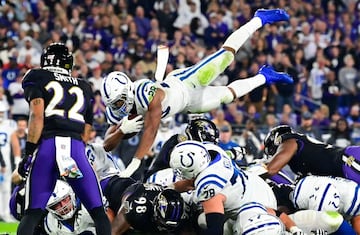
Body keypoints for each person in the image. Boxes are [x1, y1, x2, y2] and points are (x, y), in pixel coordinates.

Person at [101, 9, 293, 177]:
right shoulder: (118, 110)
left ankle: (258, 19)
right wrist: (121, 131)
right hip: (188, 103)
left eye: (120, 101)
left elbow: (152, 128)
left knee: (226, 56)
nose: (120, 106)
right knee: (228, 95)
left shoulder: (145, 92)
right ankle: (265, 76)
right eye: (116, 104)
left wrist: (135, 163)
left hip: (186, 82)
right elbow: (107, 144)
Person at [17, 42, 111, 235]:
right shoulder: (84, 86)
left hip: (48, 147)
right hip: (75, 148)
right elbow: (87, 129)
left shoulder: (36, 76)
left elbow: (37, 115)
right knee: (98, 212)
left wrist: (28, 152)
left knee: (33, 212)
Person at [169, 140, 305, 235]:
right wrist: (169, 188)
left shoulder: (209, 186)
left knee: (202, 220)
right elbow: (194, 180)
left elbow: (215, 228)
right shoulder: (211, 151)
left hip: (254, 209)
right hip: (255, 185)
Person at [263, 125, 360, 184]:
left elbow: (271, 169)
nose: (273, 154)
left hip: (347, 161)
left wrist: (253, 173)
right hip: (344, 166)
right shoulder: (299, 161)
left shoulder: (289, 140)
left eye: (272, 151)